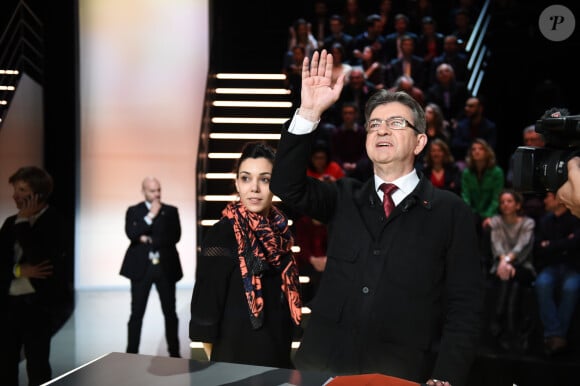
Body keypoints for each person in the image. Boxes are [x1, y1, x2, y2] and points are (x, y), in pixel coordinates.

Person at [270, 49, 483, 386]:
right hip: (322, 367)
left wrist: (446, 377)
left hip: (399, 372)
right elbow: (285, 184)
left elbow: (465, 307)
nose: (382, 130)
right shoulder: (343, 196)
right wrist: (309, 112)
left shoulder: (451, 211)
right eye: (375, 125)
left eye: (396, 123)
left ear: (420, 142)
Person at [189, 142, 302, 368]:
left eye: (265, 179)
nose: (254, 188)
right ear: (237, 184)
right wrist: (219, 365)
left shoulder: (281, 234)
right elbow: (207, 303)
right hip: (235, 357)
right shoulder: (222, 233)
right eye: (246, 178)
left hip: (276, 353)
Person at [0, 166, 69, 386]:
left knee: (37, 367)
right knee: (5, 364)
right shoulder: (10, 223)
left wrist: (23, 222)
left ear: (37, 194)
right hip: (8, 304)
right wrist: (18, 271)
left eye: (21, 190)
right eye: (15, 189)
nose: (15, 195)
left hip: (38, 307)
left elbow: (39, 259)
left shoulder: (55, 221)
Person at [120, 176, 183, 358]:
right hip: (141, 268)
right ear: (144, 191)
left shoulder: (171, 211)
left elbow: (174, 236)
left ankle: (174, 352)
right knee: (136, 313)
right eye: (152, 191)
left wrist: (147, 239)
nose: (157, 194)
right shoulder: (134, 211)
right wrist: (150, 217)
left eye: (158, 190)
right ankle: (131, 353)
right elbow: (131, 233)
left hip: (165, 267)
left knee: (170, 312)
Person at [487, 189, 535, 353]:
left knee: (513, 280)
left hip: (522, 265)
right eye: (502, 202)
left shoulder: (527, 223)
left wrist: (507, 261)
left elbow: (523, 247)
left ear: (518, 204)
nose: (505, 205)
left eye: (509, 201)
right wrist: (503, 261)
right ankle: (511, 330)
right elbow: (496, 245)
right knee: (510, 283)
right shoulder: (497, 221)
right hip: (501, 266)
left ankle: (499, 323)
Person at [533, 191, 580, 356]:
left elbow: (576, 243)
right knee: (542, 284)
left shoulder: (575, 217)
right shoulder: (545, 220)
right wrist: (564, 244)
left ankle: (554, 336)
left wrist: (551, 245)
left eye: (548, 196)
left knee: (571, 288)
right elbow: (538, 247)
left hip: (573, 267)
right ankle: (557, 334)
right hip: (551, 266)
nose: (545, 200)